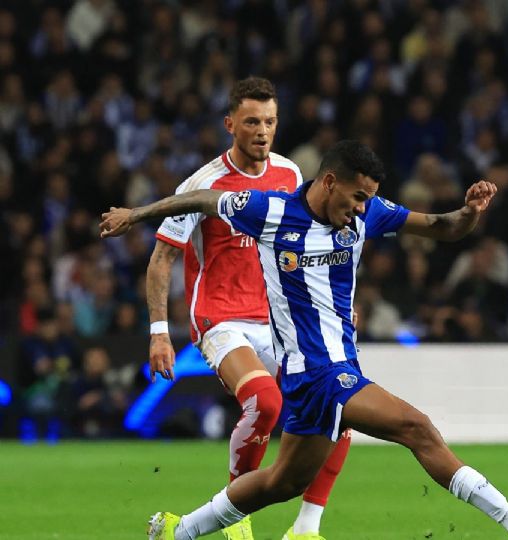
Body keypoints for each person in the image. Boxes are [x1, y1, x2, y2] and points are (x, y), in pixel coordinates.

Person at [101, 140, 508, 540]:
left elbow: (442, 227)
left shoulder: (370, 214)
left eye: (369, 199)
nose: (362, 208)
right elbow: (203, 199)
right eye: (357, 196)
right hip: (316, 373)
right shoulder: (271, 212)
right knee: (417, 428)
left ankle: (177, 530)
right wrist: (135, 215)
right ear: (328, 183)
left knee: (280, 483)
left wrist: (470, 212)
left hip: (330, 374)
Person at [145, 76, 350, 540]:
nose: (262, 131)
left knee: (339, 405)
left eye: (271, 122)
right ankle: (237, 519)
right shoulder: (203, 184)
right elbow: (162, 258)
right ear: (230, 124)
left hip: (277, 321)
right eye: (252, 121)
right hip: (220, 320)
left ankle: (306, 529)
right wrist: (159, 330)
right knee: (265, 401)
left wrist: (332, 306)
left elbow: (313, 247)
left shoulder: (291, 176)